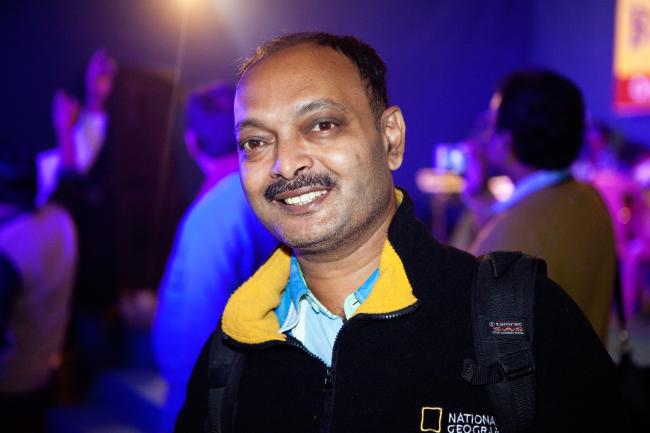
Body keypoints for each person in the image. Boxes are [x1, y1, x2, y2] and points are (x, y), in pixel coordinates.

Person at [176, 33, 619, 433]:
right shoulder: (228, 357)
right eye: (255, 142)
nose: (285, 163)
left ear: (391, 138)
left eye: (322, 125)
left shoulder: (519, 321)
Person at [153, 83, 277, 432]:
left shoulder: (218, 211)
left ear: (191, 142)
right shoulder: (259, 195)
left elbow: (198, 318)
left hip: (205, 395)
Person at [468, 70, 617, 342]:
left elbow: (491, 337)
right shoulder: (589, 199)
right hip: (585, 365)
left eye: (491, 125)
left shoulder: (512, 237)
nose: (485, 137)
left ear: (507, 141)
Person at [0, 145, 77, 433]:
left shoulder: (9, 249)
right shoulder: (61, 220)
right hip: (42, 378)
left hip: (9, 385)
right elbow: (71, 180)